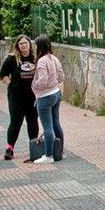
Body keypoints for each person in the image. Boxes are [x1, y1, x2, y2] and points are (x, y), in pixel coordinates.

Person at [0, 35, 39, 161]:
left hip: (32, 97)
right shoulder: (11, 59)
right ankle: (10, 148)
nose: (23, 45)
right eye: (21, 44)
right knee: (15, 123)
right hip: (16, 98)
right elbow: (3, 74)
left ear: (30, 45)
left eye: (25, 43)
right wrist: (10, 84)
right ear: (17, 46)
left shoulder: (35, 58)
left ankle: (34, 148)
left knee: (33, 122)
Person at [31, 35, 65, 165]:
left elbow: (43, 80)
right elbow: (61, 75)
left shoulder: (41, 61)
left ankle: (49, 155)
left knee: (47, 127)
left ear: (38, 47)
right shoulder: (54, 58)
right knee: (56, 123)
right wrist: (55, 82)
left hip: (45, 96)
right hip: (56, 93)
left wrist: (34, 85)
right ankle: (60, 151)